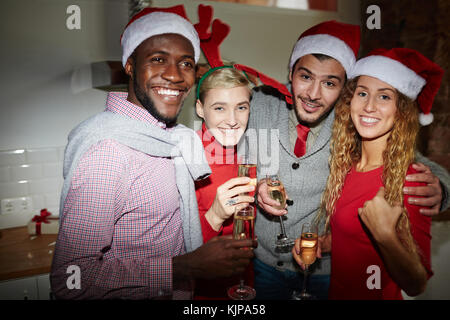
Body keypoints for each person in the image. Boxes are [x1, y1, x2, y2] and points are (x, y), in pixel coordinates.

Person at [50, 5, 256, 299]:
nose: (174, 75)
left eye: (185, 63)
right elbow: (69, 279)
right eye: (158, 59)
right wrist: (184, 268)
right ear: (130, 65)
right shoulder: (108, 151)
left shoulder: (170, 139)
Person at [249, 20, 450, 300]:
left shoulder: (350, 125)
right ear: (291, 73)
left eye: (330, 83)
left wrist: (442, 186)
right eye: (305, 77)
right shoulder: (259, 103)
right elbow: (216, 132)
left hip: (323, 276)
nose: (313, 94)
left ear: (344, 89)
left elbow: (410, 158)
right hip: (264, 265)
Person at [293, 47, 443, 299]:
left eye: (384, 97)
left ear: (401, 111)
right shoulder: (346, 166)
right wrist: (325, 243)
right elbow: (355, 239)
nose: (369, 106)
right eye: (362, 93)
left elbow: (416, 284)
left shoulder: (411, 180)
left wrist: (385, 235)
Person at [193, 65, 255, 299]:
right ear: (200, 109)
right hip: (199, 292)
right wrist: (216, 215)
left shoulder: (251, 153)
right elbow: (171, 251)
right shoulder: (182, 159)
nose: (232, 120)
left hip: (243, 284)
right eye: (219, 108)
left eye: (241, 107)